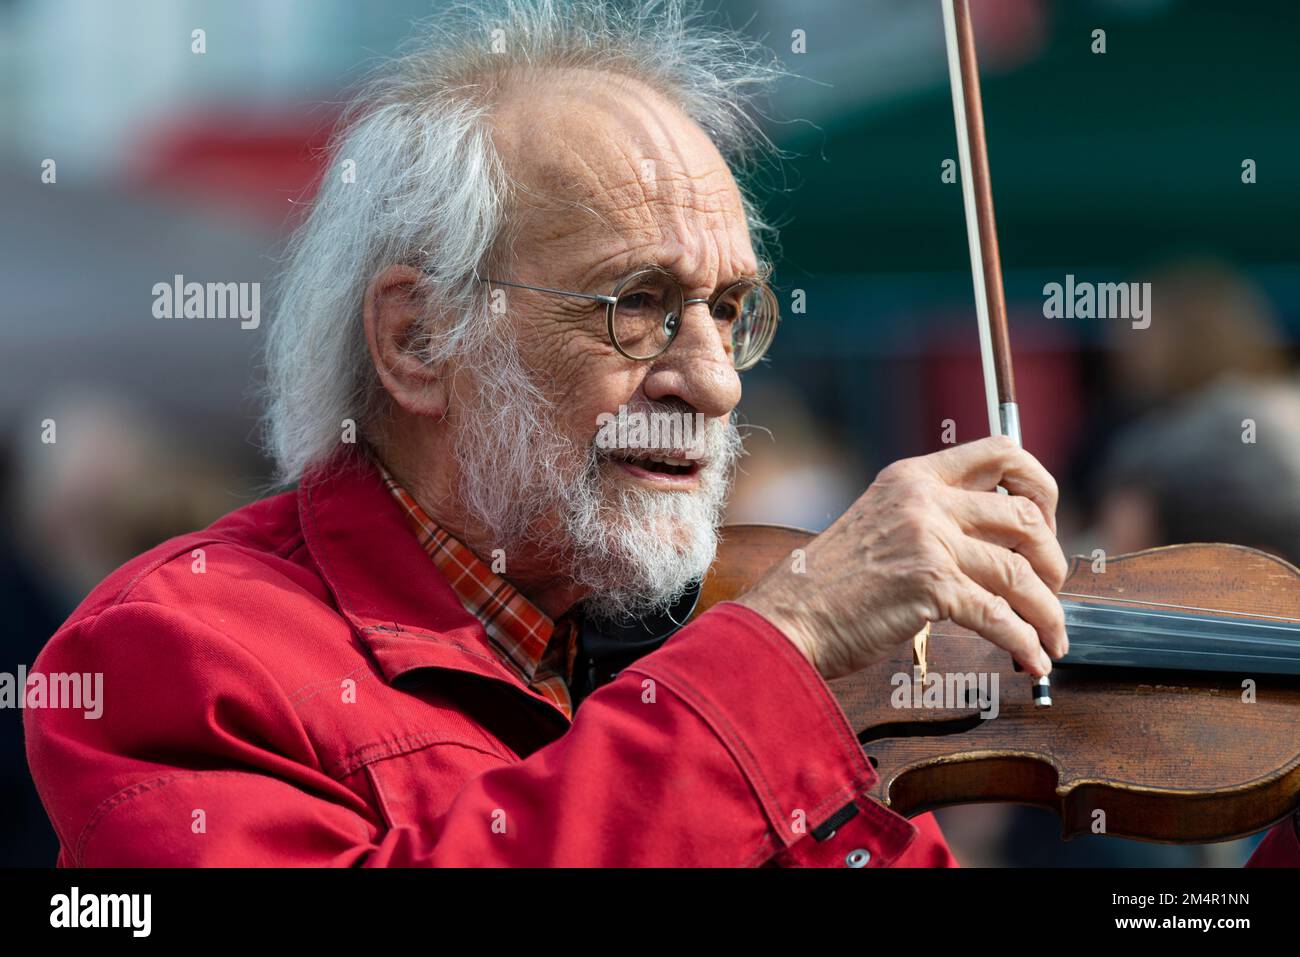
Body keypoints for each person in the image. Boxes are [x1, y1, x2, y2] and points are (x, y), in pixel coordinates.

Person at [24, 0, 1298, 867]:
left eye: (732, 312)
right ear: (417, 340)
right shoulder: (176, 653)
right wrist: (783, 650)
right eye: (636, 306)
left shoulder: (751, 672)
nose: (715, 379)